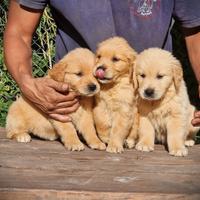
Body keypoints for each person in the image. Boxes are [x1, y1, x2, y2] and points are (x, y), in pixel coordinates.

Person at [3, 0, 200, 126]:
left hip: (153, 111)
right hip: (77, 109)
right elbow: (18, 32)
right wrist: (27, 82)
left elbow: (196, 35)